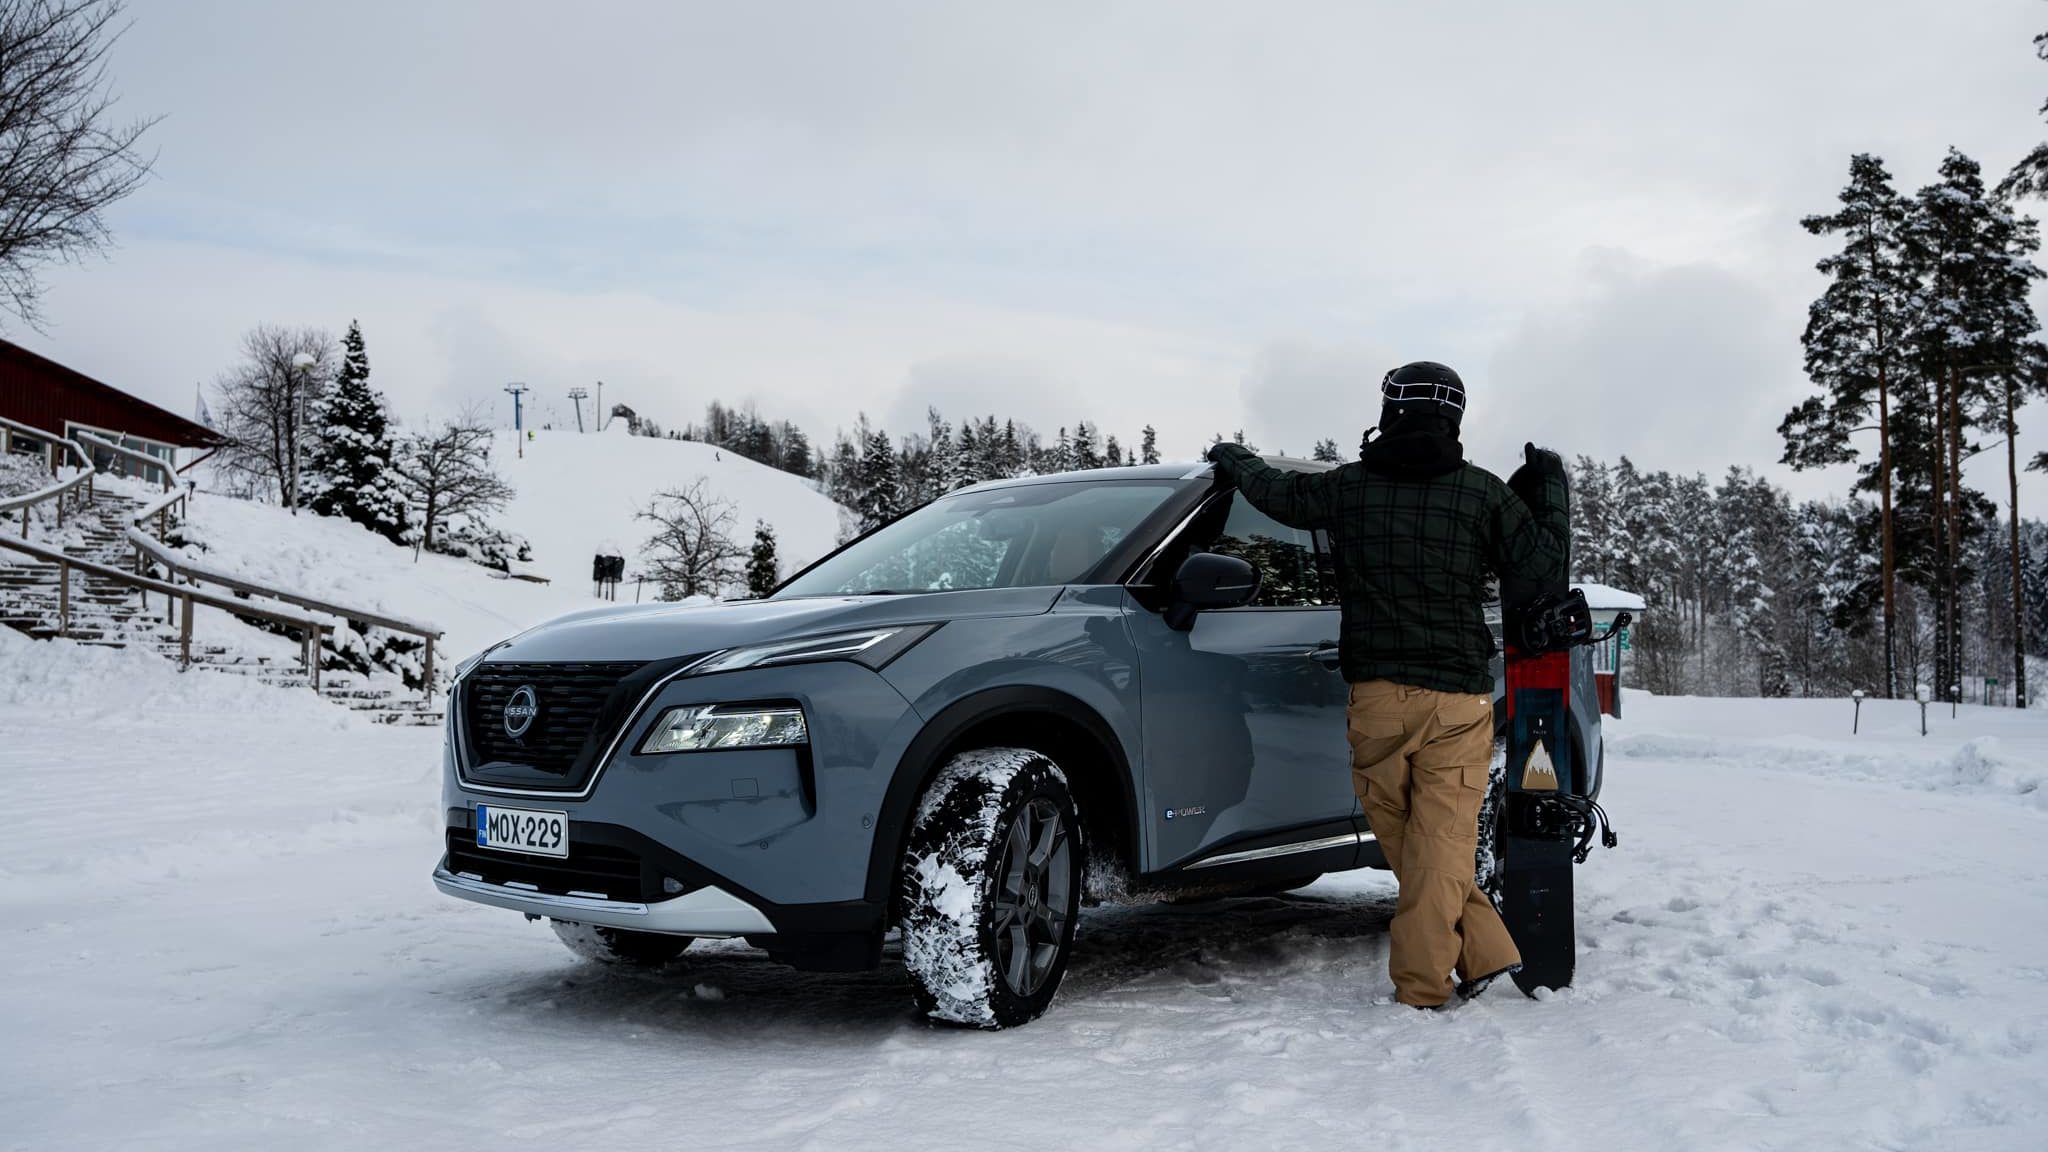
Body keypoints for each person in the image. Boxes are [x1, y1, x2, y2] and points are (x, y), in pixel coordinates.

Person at [1206, 361, 1568, 1009]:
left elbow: (1278, 494)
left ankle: (1424, 985)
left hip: (1377, 699)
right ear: (1454, 415)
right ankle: (1478, 946)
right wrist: (1549, 486)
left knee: (1417, 841)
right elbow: (1541, 562)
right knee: (1438, 844)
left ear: (1390, 408)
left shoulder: (1349, 488)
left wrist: (1235, 458)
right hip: (1458, 700)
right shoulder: (1481, 493)